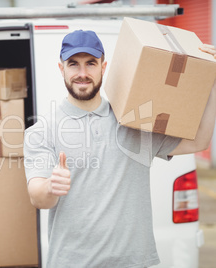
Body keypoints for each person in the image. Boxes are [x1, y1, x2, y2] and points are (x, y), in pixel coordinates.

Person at [23, 29, 216, 267]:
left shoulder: (134, 121)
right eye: (74, 64)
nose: (82, 73)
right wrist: (51, 187)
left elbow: (199, 141)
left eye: (91, 63)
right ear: (61, 69)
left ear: (103, 67)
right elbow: (38, 196)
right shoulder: (42, 131)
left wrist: (212, 82)